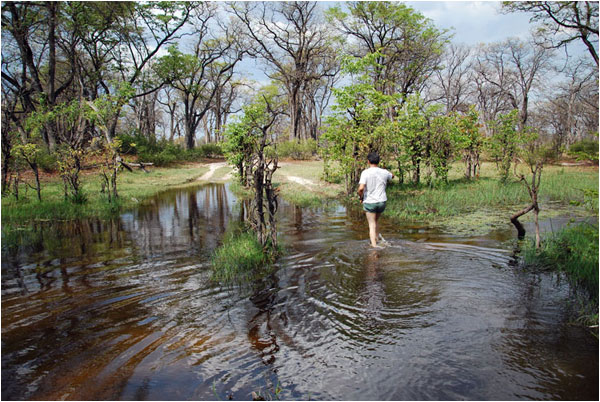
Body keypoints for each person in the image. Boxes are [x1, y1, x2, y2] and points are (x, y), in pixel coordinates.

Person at [357, 152, 393, 248]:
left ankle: (374, 247)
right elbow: (392, 176)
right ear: (378, 161)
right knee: (376, 221)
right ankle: (377, 240)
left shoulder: (365, 172)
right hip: (382, 202)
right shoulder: (384, 172)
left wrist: (360, 197)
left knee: (371, 224)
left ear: (368, 161)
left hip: (370, 202)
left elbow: (361, 189)